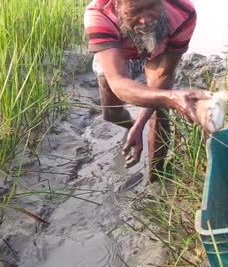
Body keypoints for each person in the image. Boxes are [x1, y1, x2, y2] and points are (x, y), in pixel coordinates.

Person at [84, 0, 211, 182]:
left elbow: (162, 75)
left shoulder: (183, 12)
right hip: (117, 55)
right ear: (117, 5)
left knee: (160, 112)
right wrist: (136, 125)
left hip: (156, 54)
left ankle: (155, 180)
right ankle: (131, 127)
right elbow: (118, 82)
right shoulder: (98, 13)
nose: (145, 20)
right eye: (134, 12)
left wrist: (168, 100)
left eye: (152, 6)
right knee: (111, 113)